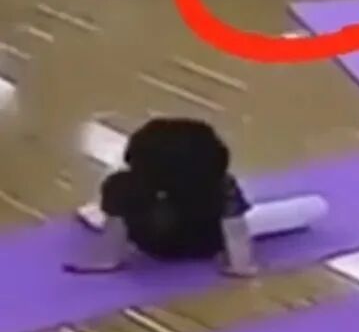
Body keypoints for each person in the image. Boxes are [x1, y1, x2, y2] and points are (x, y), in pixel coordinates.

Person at [67, 118, 327, 275]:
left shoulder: (122, 184)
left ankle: (102, 210)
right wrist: (241, 266)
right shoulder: (220, 185)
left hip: (153, 245)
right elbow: (235, 229)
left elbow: (116, 232)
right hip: (206, 244)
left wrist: (107, 261)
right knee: (311, 208)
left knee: (123, 203)